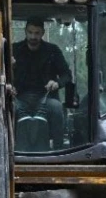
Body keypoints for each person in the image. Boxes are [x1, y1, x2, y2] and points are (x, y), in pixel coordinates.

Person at [11, 18, 71, 149]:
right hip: (19, 98)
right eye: (30, 32)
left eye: (37, 33)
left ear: (43, 33)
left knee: (56, 107)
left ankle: (58, 150)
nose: (33, 36)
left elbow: (67, 75)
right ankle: (8, 149)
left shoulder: (53, 51)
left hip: (46, 98)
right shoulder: (13, 50)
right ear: (25, 32)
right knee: (5, 108)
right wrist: (8, 86)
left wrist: (57, 83)